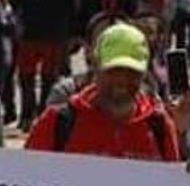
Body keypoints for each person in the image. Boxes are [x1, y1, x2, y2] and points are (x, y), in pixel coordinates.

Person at [26, 22, 178, 160]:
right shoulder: (58, 123)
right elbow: (25, 179)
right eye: (113, 70)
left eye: (132, 72)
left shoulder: (160, 126)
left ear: (144, 74)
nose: (122, 80)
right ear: (95, 67)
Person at [12, 0, 77, 132]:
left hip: (53, 35)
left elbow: (70, 6)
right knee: (26, 76)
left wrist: (69, 35)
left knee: (49, 77)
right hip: (30, 34)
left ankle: (43, 114)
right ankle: (26, 115)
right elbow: (15, 1)